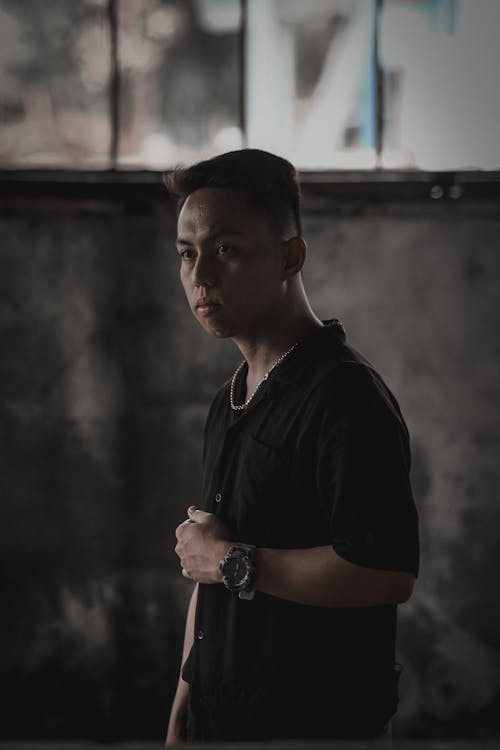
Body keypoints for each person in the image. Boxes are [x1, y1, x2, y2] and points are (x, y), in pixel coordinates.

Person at [163, 148, 419, 743]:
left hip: (312, 725)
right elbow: (207, 561)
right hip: (218, 719)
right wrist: (181, 708)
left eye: (225, 248)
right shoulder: (228, 400)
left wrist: (231, 562)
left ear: (290, 255)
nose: (200, 276)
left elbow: (386, 573)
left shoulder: (344, 396)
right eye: (186, 253)